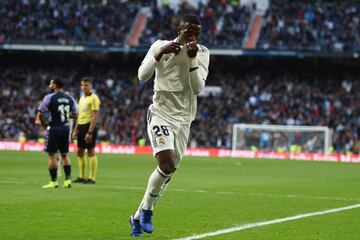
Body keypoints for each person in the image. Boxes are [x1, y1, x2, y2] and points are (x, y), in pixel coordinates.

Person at [129, 14, 210, 237]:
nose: (192, 36)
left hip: (184, 120)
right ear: (180, 29)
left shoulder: (202, 53)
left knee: (169, 171)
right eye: (188, 31)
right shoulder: (160, 45)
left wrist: (192, 59)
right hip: (160, 114)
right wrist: (158, 54)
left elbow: (197, 88)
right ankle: (146, 210)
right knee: (166, 165)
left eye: (197, 33)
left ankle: (136, 215)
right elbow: (142, 76)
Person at [38, 77, 78, 188]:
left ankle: (54, 181)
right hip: (65, 129)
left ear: (55, 85)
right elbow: (75, 114)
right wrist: (66, 117)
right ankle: (68, 180)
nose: (50, 85)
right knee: (65, 155)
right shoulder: (70, 98)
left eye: (51, 83)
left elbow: (40, 113)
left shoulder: (49, 97)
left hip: (54, 128)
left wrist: (44, 124)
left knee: (52, 155)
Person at [72, 77, 101, 184]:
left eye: (86, 85)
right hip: (81, 126)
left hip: (89, 126)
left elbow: (95, 116)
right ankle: (81, 176)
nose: (84, 87)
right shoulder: (81, 98)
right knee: (80, 152)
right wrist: (75, 130)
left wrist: (90, 132)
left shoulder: (94, 98)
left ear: (91, 86)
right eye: (82, 85)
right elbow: (79, 116)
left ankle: (92, 178)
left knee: (90, 151)